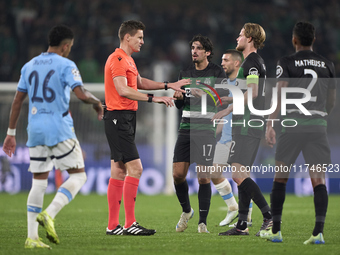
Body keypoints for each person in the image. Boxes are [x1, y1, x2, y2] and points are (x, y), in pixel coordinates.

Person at [2, 24, 103, 249]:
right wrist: (96, 103)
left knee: (38, 182)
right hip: (59, 127)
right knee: (79, 176)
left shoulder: (29, 66)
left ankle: (31, 238)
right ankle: (50, 213)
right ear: (66, 46)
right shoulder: (66, 64)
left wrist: (10, 134)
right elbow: (80, 93)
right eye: (71, 47)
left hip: (35, 129)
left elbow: (17, 100)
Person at [104, 20, 190, 236]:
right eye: (139, 37)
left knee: (119, 170)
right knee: (136, 168)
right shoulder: (118, 59)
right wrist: (155, 99)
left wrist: (168, 85)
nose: (143, 41)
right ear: (127, 37)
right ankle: (129, 223)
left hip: (124, 117)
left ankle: (113, 225)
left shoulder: (129, 61)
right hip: (118, 118)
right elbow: (123, 90)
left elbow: (139, 83)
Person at [261, 21, 336, 244]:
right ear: (313, 40)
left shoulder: (286, 62)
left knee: (280, 177)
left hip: (292, 126)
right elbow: (331, 101)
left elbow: (281, 93)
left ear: (294, 40)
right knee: (318, 180)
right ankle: (318, 232)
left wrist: (270, 124)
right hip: (317, 127)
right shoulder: (327, 64)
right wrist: (321, 116)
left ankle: (275, 231)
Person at [213, 23, 272, 236]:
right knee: (242, 173)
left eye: (240, 35)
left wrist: (228, 108)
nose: (237, 38)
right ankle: (242, 226)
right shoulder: (253, 63)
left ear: (249, 38)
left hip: (247, 124)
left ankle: (268, 216)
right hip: (248, 123)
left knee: (237, 174)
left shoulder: (252, 62)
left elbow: (254, 93)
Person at [173, 34, 229, 233]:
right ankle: (187, 211)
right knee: (178, 174)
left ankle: (202, 222)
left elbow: (225, 97)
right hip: (186, 128)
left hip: (205, 129)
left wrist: (205, 94)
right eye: (192, 48)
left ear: (207, 52)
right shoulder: (184, 73)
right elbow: (180, 105)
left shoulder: (216, 71)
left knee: (203, 177)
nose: (194, 51)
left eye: (198, 48)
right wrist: (178, 97)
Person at [211, 49, 253, 227]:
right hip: (225, 138)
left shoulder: (244, 84)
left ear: (236, 63)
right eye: (222, 60)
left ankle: (247, 216)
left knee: (241, 177)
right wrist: (214, 131)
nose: (222, 63)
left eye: (226, 60)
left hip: (240, 135)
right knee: (214, 173)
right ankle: (233, 207)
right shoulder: (226, 84)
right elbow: (226, 116)